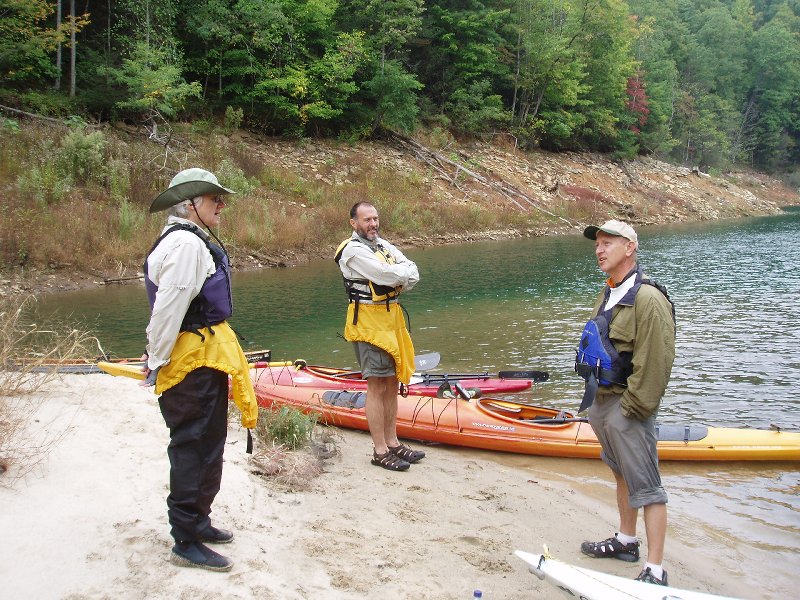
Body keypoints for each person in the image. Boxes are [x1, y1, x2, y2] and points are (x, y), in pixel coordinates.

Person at [142, 168, 259, 572]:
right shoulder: (186, 246)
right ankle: (186, 540)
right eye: (213, 199)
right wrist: (155, 359)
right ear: (190, 204)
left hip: (204, 358)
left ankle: (199, 521)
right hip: (190, 362)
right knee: (193, 445)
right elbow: (168, 308)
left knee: (208, 442)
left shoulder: (190, 241)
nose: (220, 205)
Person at [574, 219, 676, 586]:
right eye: (597, 243)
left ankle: (656, 569)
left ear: (630, 247)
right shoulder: (608, 292)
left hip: (628, 408)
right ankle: (626, 540)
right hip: (602, 402)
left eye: (608, 243)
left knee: (648, 487)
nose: (599, 249)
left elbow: (657, 361)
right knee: (619, 473)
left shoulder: (648, 298)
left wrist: (633, 408)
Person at [334, 201, 425, 471]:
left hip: (391, 319)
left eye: (375, 219)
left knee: (392, 382)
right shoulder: (352, 251)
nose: (372, 224)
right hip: (368, 322)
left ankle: (393, 442)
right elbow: (383, 275)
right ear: (354, 223)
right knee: (376, 384)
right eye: (366, 220)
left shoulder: (383, 246)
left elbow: (413, 270)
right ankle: (379, 450)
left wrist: (401, 276)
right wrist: (400, 275)